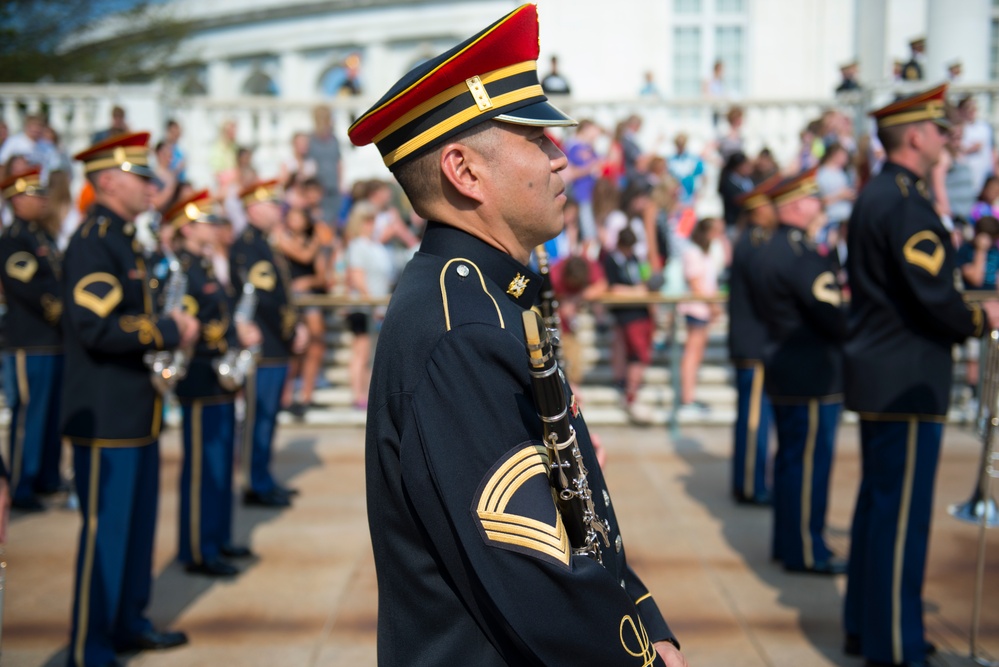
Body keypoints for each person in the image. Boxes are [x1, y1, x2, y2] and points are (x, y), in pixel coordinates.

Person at [347, 4, 686, 665]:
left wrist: (645, 615)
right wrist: (641, 655)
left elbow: (575, 517)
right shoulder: (462, 325)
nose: (564, 160)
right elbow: (536, 578)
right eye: (539, 140)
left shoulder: (497, 292)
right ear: (464, 171)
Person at [842, 83, 999, 667]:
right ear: (915, 136)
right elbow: (934, 293)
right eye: (938, 129)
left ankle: (871, 626)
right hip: (905, 375)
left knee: (881, 511)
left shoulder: (884, 194)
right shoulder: (903, 202)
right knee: (900, 520)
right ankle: (895, 646)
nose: (946, 139)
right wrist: (981, 314)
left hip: (890, 374)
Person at [62, 132, 199, 667]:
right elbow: (94, 327)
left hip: (135, 409)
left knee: (137, 529)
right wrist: (167, 328)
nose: (152, 186)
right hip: (105, 413)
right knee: (105, 537)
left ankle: (127, 624)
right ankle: (89, 649)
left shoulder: (125, 239)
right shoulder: (95, 240)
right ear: (108, 180)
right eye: (141, 177)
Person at [747, 167, 847, 576]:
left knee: (790, 462)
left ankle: (788, 542)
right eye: (811, 199)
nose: (817, 205)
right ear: (794, 205)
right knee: (807, 465)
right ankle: (806, 549)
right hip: (812, 373)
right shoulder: (801, 254)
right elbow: (834, 315)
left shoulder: (768, 249)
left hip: (785, 366)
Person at [166, 190, 261, 577]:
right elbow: (184, 325)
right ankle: (197, 550)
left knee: (222, 467)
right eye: (206, 221)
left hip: (218, 378)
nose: (215, 227)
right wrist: (233, 334)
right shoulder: (182, 269)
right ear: (187, 227)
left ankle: (217, 538)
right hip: (200, 379)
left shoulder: (202, 266)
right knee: (203, 471)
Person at [230, 179, 306, 507]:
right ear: (252, 208)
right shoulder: (248, 245)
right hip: (263, 345)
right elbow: (264, 300)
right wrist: (292, 331)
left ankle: (264, 478)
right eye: (271, 204)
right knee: (258, 419)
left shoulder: (264, 244)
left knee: (269, 417)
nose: (278, 209)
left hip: (275, 345)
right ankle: (254, 482)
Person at [0, 167, 64, 510]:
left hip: (52, 341)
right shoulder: (13, 238)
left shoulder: (43, 236)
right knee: (29, 416)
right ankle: (22, 485)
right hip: (28, 341)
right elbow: (28, 288)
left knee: (51, 413)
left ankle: (46, 478)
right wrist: (64, 311)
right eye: (33, 194)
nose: (42, 200)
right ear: (16, 199)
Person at [726, 176, 781, 505]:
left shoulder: (749, 240)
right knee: (754, 422)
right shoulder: (756, 243)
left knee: (753, 417)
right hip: (755, 344)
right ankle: (751, 484)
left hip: (752, 343)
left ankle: (749, 480)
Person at [342, 200, 393, 410]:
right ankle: (358, 394)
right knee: (361, 351)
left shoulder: (377, 246)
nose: (371, 224)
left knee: (371, 353)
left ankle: (366, 393)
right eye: (367, 220)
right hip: (364, 307)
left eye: (373, 220)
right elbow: (357, 277)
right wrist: (373, 304)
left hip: (377, 306)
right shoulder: (357, 246)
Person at [676, 218, 724, 416]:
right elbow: (696, 283)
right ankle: (687, 397)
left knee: (697, 353)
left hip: (703, 308)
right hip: (696, 308)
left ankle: (690, 395)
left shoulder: (705, 252)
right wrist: (712, 306)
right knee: (692, 353)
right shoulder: (693, 252)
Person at [308, 105, 343, 226]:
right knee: (319, 219)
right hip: (318, 186)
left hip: (333, 186)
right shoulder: (311, 139)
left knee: (333, 218)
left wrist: (340, 184)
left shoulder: (334, 139)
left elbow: (339, 163)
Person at [667, 132, 705, 208]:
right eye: (678, 144)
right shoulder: (670, 160)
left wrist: (699, 193)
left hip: (690, 196)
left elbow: (701, 177)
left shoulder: (694, 159)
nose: (680, 147)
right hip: (675, 197)